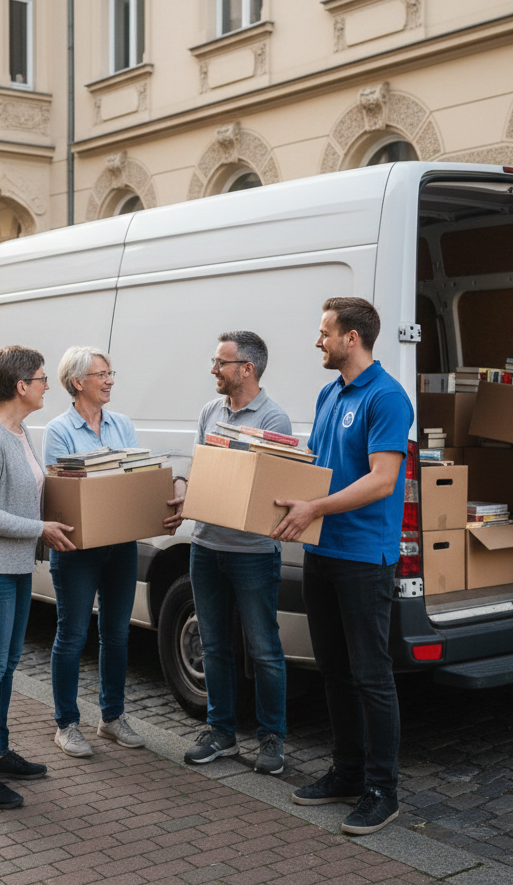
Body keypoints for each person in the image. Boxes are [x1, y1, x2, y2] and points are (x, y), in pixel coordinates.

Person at [273, 297, 413, 836]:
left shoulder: (387, 397)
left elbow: (382, 480)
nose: (319, 341)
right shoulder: (330, 393)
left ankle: (383, 790)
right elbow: (319, 468)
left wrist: (315, 508)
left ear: (351, 337)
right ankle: (347, 772)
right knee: (333, 670)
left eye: (325, 332)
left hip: (363, 557)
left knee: (371, 675)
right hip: (322, 553)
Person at [0, 345, 76, 810]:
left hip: (15, 563)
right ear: (21, 386)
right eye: (42, 379)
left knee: (5, 665)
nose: (48, 385)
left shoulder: (20, 430)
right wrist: (38, 529)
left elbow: (24, 495)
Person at [165, 331, 292, 776]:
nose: (213, 370)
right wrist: (185, 491)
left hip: (253, 552)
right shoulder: (210, 411)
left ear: (246, 369)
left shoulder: (275, 420)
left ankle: (272, 739)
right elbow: (202, 469)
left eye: (221, 363)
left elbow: (257, 488)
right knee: (213, 645)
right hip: (206, 546)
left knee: (263, 650)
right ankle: (220, 732)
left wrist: (217, 484)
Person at [42, 347, 146, 758]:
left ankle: (111, 717)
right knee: (72, 635)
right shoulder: (59, 430)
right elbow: (65, 491)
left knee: (117, 635)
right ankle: (67, 724)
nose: (110, 381)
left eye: (110, 373)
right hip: (77, 548)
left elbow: (133, 480)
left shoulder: (122, 425)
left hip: (121, 544)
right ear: (78, 382)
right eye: (102, 374)